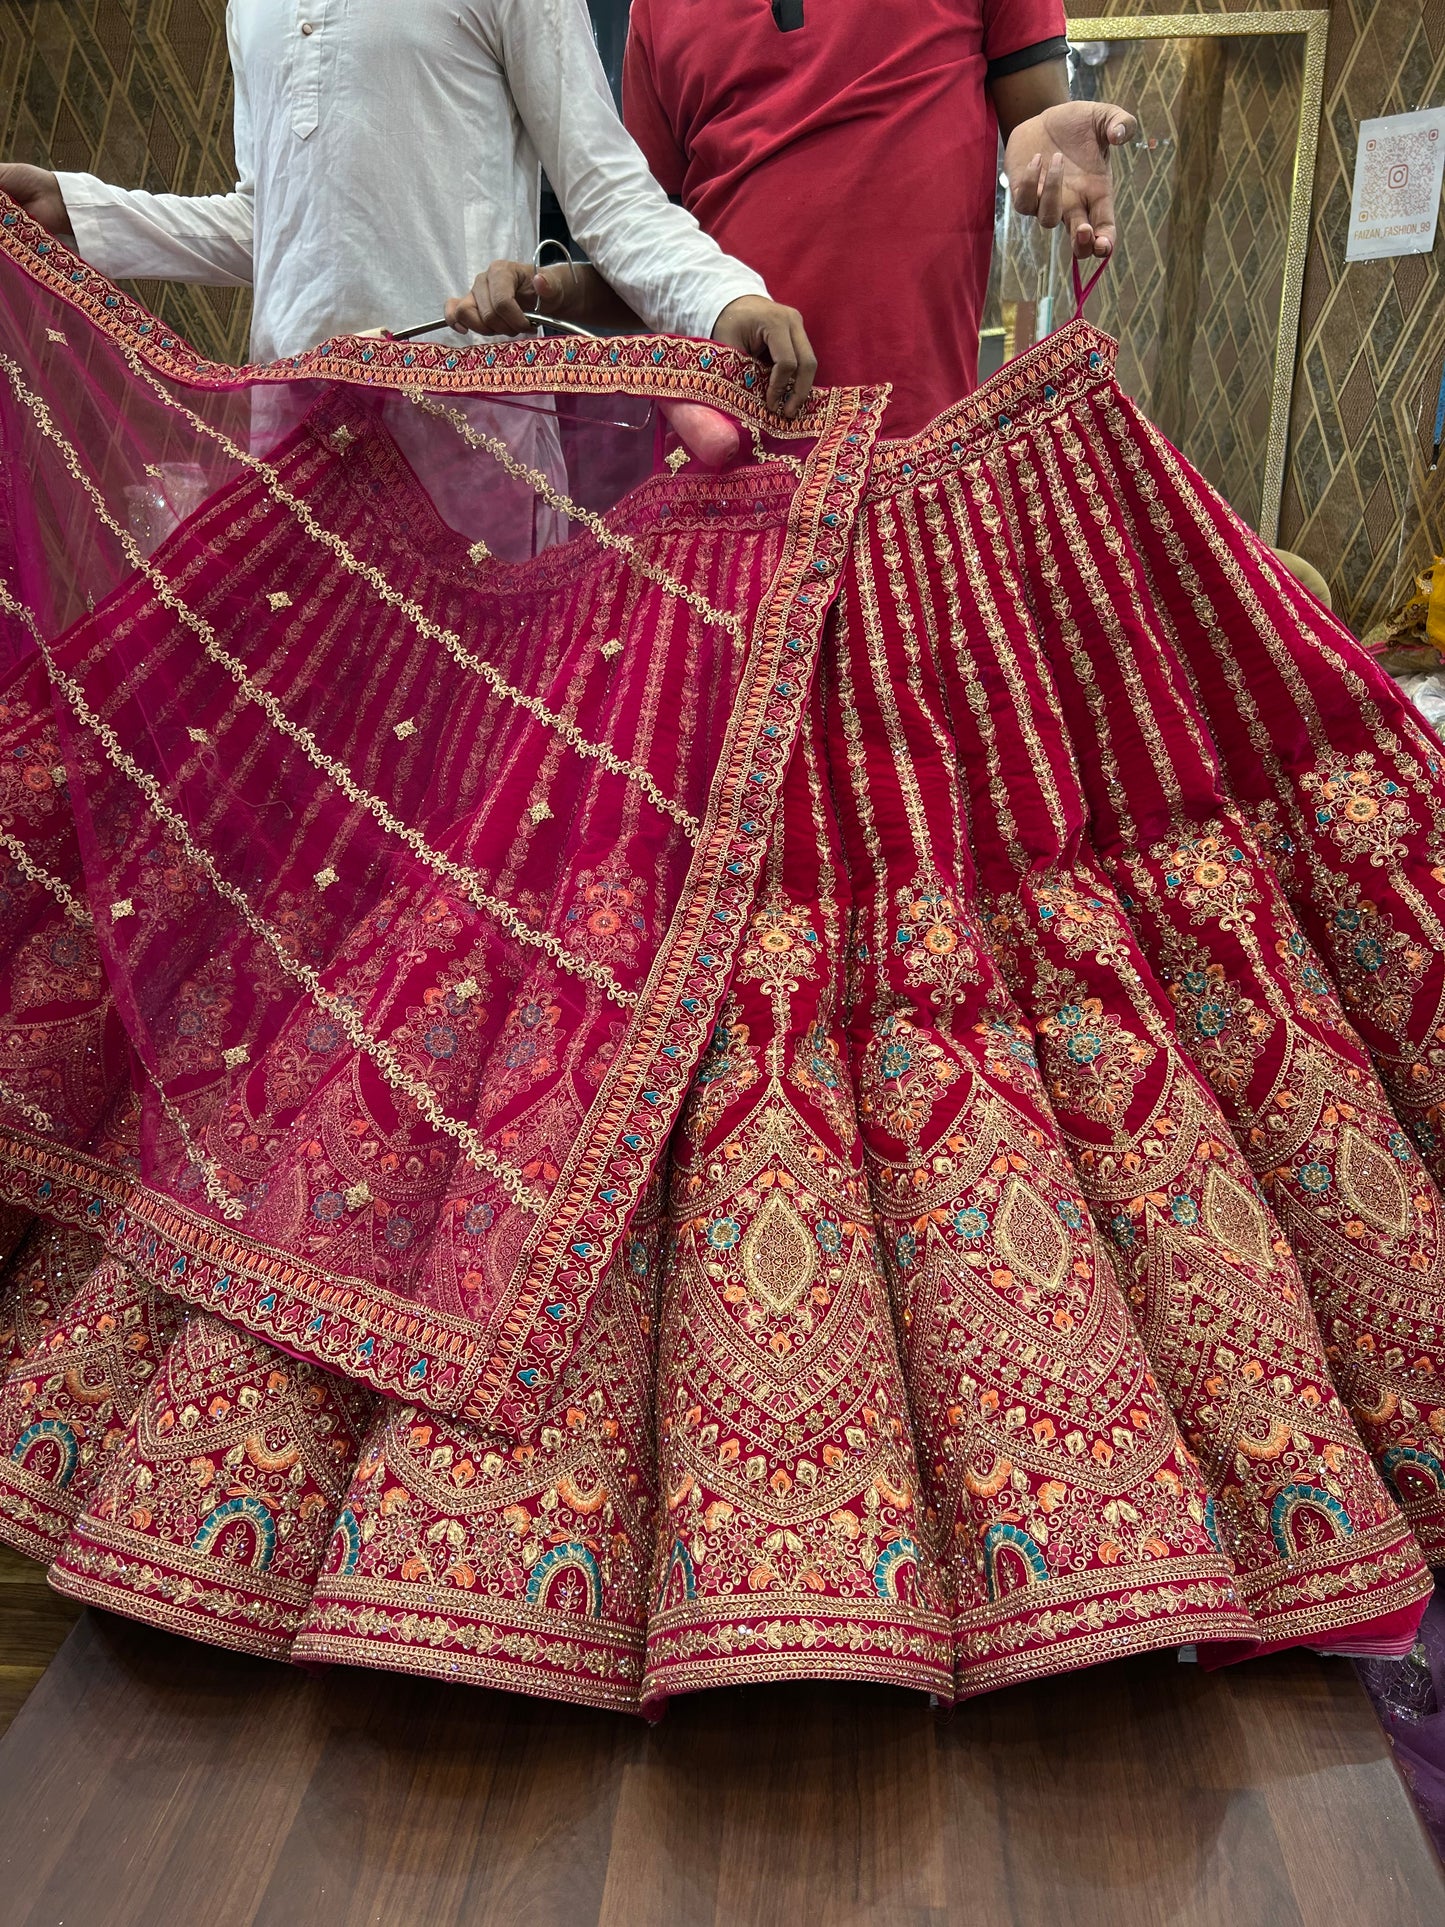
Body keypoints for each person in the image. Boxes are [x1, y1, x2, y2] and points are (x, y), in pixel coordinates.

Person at [0, 0, 815, 417]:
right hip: (294, 437)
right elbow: (273, 225)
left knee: (479, 736)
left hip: (472, 440)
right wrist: (74, 208)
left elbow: (607, 197)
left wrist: (724, 299)